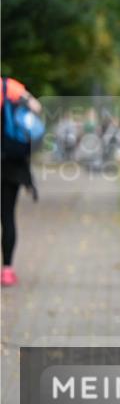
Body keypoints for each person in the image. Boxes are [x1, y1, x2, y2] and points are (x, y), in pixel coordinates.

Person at [1, 77, 42, 287]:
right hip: (11, 163)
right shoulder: (9, 87)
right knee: (7, 216)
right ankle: (7, 270)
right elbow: (36, 107)